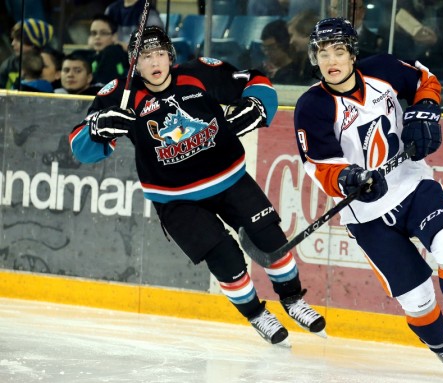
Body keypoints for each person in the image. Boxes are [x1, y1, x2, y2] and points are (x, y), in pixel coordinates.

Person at [68, 26, 326, 347]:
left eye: (160, 53)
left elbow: (255, 81)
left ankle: (292, 299)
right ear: (135, 62)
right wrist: (97, 128)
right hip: (175, 200)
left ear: (170, 55)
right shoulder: (119, 94)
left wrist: (258, 105)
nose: (155, 62)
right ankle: (256, 314)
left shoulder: (199, 72)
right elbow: (80, 147)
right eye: (146, 57)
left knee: (271, 240)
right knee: (226, 259)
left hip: (228, 178)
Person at [293, 18, 443, 378]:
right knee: (418, 300)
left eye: (338, 51)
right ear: (314, 58)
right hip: (367, 216)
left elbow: (424, 80)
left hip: (413, 185)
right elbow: (319, 165)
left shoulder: (382, 69)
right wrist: (350, 177)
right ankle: (442, 347)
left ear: (352, 54)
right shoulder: (312, 106)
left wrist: (424, 111)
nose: (331, 60)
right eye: (322, 53)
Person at [0, 18, 53, 89]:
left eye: (18, 40)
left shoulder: (49, 62)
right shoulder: (9, 65)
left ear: (34, 43)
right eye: (13, 39)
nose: (13, 43)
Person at [86, 14, 130, 85]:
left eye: (103, 33)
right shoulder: (91, 56)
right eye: (94, 33)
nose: (97, 37)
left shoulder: (113, 52)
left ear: (114, 37)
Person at [258, 19, 301, 85]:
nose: (267, 53)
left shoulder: (297, 71)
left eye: (271, 47)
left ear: (284, 44)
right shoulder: (263, 70)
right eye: (265, 48)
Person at [287, 10, 319, 85]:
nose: (291, 42)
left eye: (292, 35)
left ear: (304, 32)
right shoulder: (306, 60)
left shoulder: (321, 63)